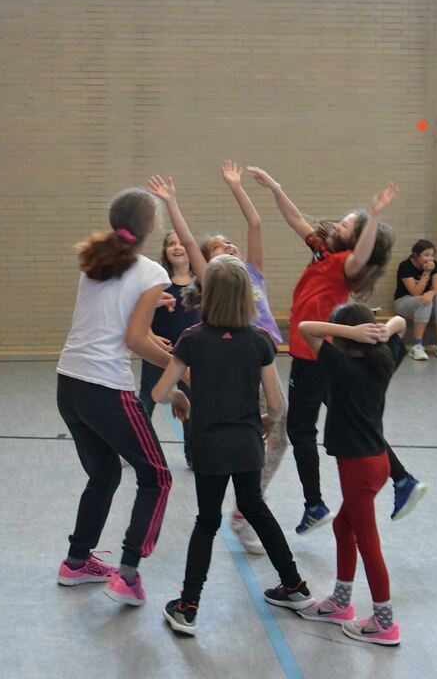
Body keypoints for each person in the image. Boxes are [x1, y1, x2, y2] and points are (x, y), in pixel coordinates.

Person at [247, 167, 426, 532]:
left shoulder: (346, 265)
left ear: (355, 239)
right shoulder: (322, 251)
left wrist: (374, 216)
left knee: (300, 431)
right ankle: (403, 480)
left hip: (313, 355)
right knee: (352, 420)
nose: (336, 225)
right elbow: (296, 218)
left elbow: (362, 256)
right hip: (317, 353)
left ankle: (314, 505)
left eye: (344, 225)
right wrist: (275, 186)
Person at [152, 255, 313, 637]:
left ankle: (188, 606)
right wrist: (264, 424)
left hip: (209, 447)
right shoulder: (259, 341)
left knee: (207, 521)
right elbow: (275, 404)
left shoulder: (192, 339)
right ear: (246, 298)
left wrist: (180, 396)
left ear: (208, 297)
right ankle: (295, 586)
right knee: (255, 507)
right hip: (246, 445)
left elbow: (160, 392)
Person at [148, 163, 288, 555]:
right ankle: (246, 510)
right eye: (220, 246)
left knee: (279, 435)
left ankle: (248, 503)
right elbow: (190, 241)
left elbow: (256, 223)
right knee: (254, 432)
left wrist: (236, 186)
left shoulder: (253, 273)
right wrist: (172, 203)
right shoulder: (215, 279)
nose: (229, 246)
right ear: (209, 264)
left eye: (231, 243)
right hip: (238, 361)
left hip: (262, 360)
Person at [56, 188, 179, 606]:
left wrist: (145, 300)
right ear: (152, 227)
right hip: (104, 387)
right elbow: (136, 340)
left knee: (105, 475)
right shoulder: (151, 271)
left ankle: (76, 562)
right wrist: (182, 368)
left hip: (69, 384)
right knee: (157, 477)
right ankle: (128, 574)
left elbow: (112, 312)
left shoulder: (95, 261)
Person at [297, 305, 407, 646]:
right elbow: (401, 322)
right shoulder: (383, 359)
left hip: (358, 467)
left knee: (369, 543)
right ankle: (340, 603)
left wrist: (354, 332)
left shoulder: (341, 366)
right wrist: (382, 331)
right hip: (377, 463)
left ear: (345, 335)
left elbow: (304, 328)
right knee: (342, 527)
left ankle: (383, 622)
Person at [138, 231, 197, 467]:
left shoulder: (199, 282)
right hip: (158, 351)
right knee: (146, 400)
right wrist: (151, 337)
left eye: (181, 243)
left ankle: (192, 455)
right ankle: (138, 449)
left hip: (190, 356)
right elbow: (142, 314)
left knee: (191, 404)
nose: (176, 247)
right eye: (171, 244)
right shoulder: (158, 281)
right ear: (165, 250)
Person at [393, 239, 437, 360]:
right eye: (426, 255)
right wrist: (426, 272)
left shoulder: (434, 265)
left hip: (425, 304)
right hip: (404, 302)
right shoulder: (406, 266)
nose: (430, 258)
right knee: (423, 300)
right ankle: (417, 346)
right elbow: (415, 292)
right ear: (416, 255)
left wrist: (430, 292)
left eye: (432, 255)